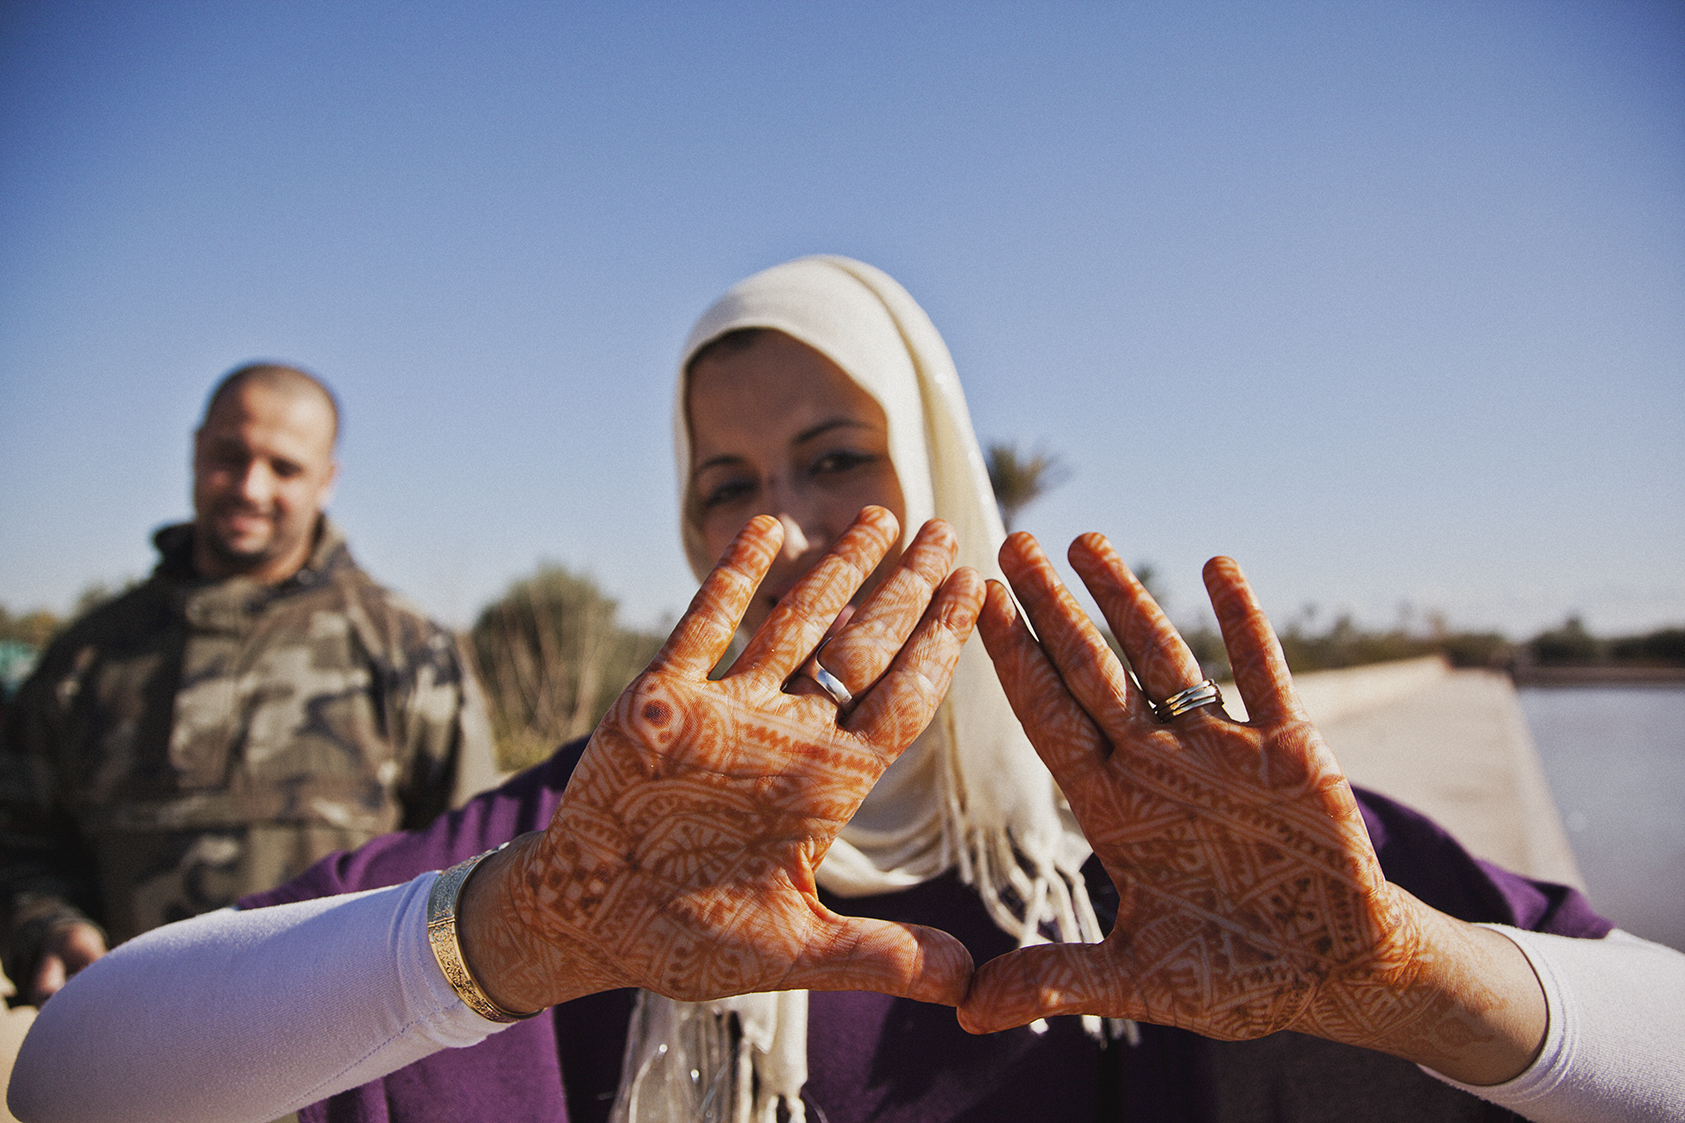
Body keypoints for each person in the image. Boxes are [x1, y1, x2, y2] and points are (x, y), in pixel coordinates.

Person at [9, 261, 1684, 1123]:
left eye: (837, 457)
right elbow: (78, 1074)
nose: (783, 525)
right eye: (722, 482)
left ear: (948, 477)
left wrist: (1409, 987)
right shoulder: (590, 849)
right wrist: (512, 937)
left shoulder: (1166, 842)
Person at [0, 362, 501, 1007]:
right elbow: (21, 842)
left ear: (327, 480)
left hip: (342, 1066)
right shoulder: (89, 657)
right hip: (134, 1054)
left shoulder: (407, 649)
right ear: (194, 450)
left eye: (284, 468)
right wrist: (48, 929)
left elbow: (479, 863)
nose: (249, 487)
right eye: (228, 457)